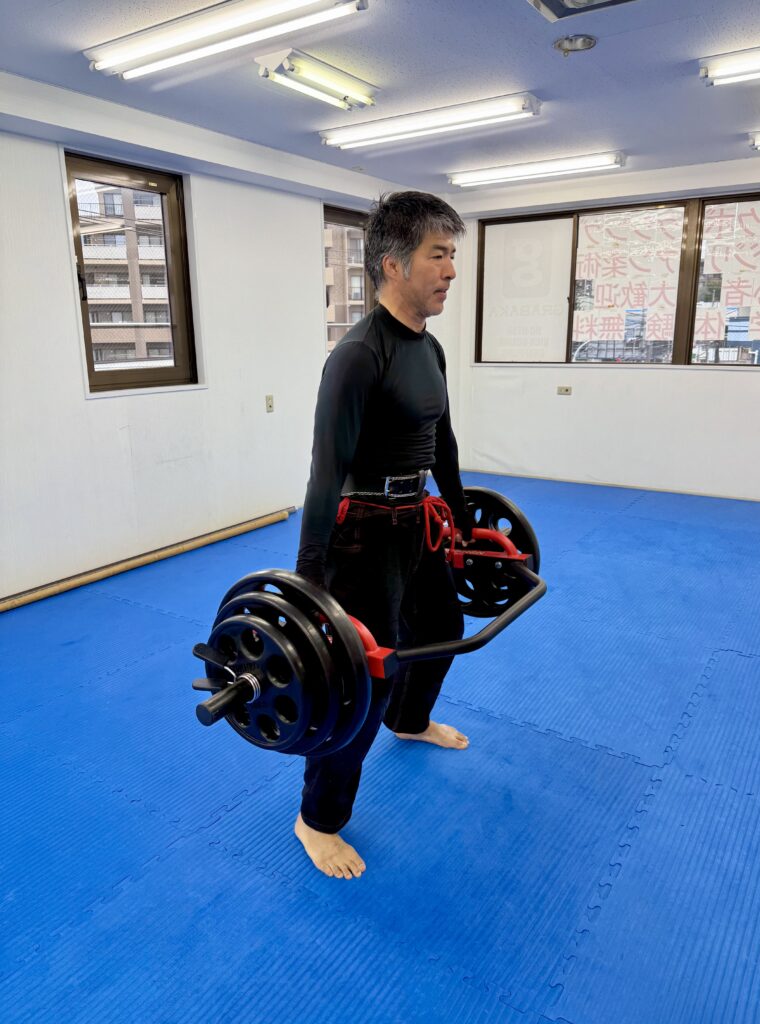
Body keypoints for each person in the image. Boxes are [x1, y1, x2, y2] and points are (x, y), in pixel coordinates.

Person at [294, 191, 472, 879]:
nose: (450, 270)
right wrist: (309, 581)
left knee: (443, 627)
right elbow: (324, 474)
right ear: (393, 264)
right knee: (360, 681)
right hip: (362, 534)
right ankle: (317, 820)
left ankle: (411, 720)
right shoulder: (357, 356)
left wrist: (462, 517)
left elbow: (441, 443)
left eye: (452, 255)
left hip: (416, 521)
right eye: (438, 255)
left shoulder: (431, 350)